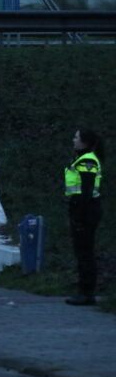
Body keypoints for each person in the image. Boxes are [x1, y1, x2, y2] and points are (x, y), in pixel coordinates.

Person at [65, 129, 104, 306]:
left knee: (84, 253)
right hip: (83, 209)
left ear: (84, 142)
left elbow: (86, 191)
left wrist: (79, 218)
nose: (73, 140)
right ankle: (85, 292)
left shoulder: (87, 160)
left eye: (76, 137)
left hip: (86, 210)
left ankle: (86, 293)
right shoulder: (83, 158)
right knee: (83, 252)